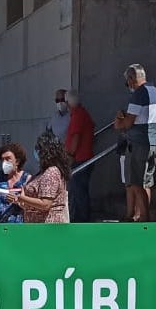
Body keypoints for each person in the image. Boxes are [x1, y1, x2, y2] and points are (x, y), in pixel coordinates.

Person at [113, 64, 156, 222]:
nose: (128, 86)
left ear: (131, 79)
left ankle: (144, 217)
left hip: (140, 144)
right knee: (146, 182)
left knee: (136, 183)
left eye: (127, 82)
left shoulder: (139, 95)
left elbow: (127, 123)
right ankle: (141, 216)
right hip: (154, 142)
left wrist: (118, 120)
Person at [16, 131, 69, 223]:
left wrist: (22, 198)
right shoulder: (42, 173)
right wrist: (20, 201)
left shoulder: (51, 172)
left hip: (48, 227)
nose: (36, 152)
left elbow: (45, 204)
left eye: (38, 148)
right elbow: (36, 204)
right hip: (37, 226)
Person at [63, 90, 96, 223]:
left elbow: (76, 136)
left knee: (78, 191)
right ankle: (79, 217)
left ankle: (81, 219)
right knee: (77, 190)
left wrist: (70, 154)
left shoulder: (78, 115)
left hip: (80, 159)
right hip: (81, 157)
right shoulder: (80, 114)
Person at [0, 142, 31, 223]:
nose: (4, 162)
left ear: (17, 161)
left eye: (8, 159)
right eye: (2, 159)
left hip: (18, 225)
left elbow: (30, 206)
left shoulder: (26, 178)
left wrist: (17, 201)